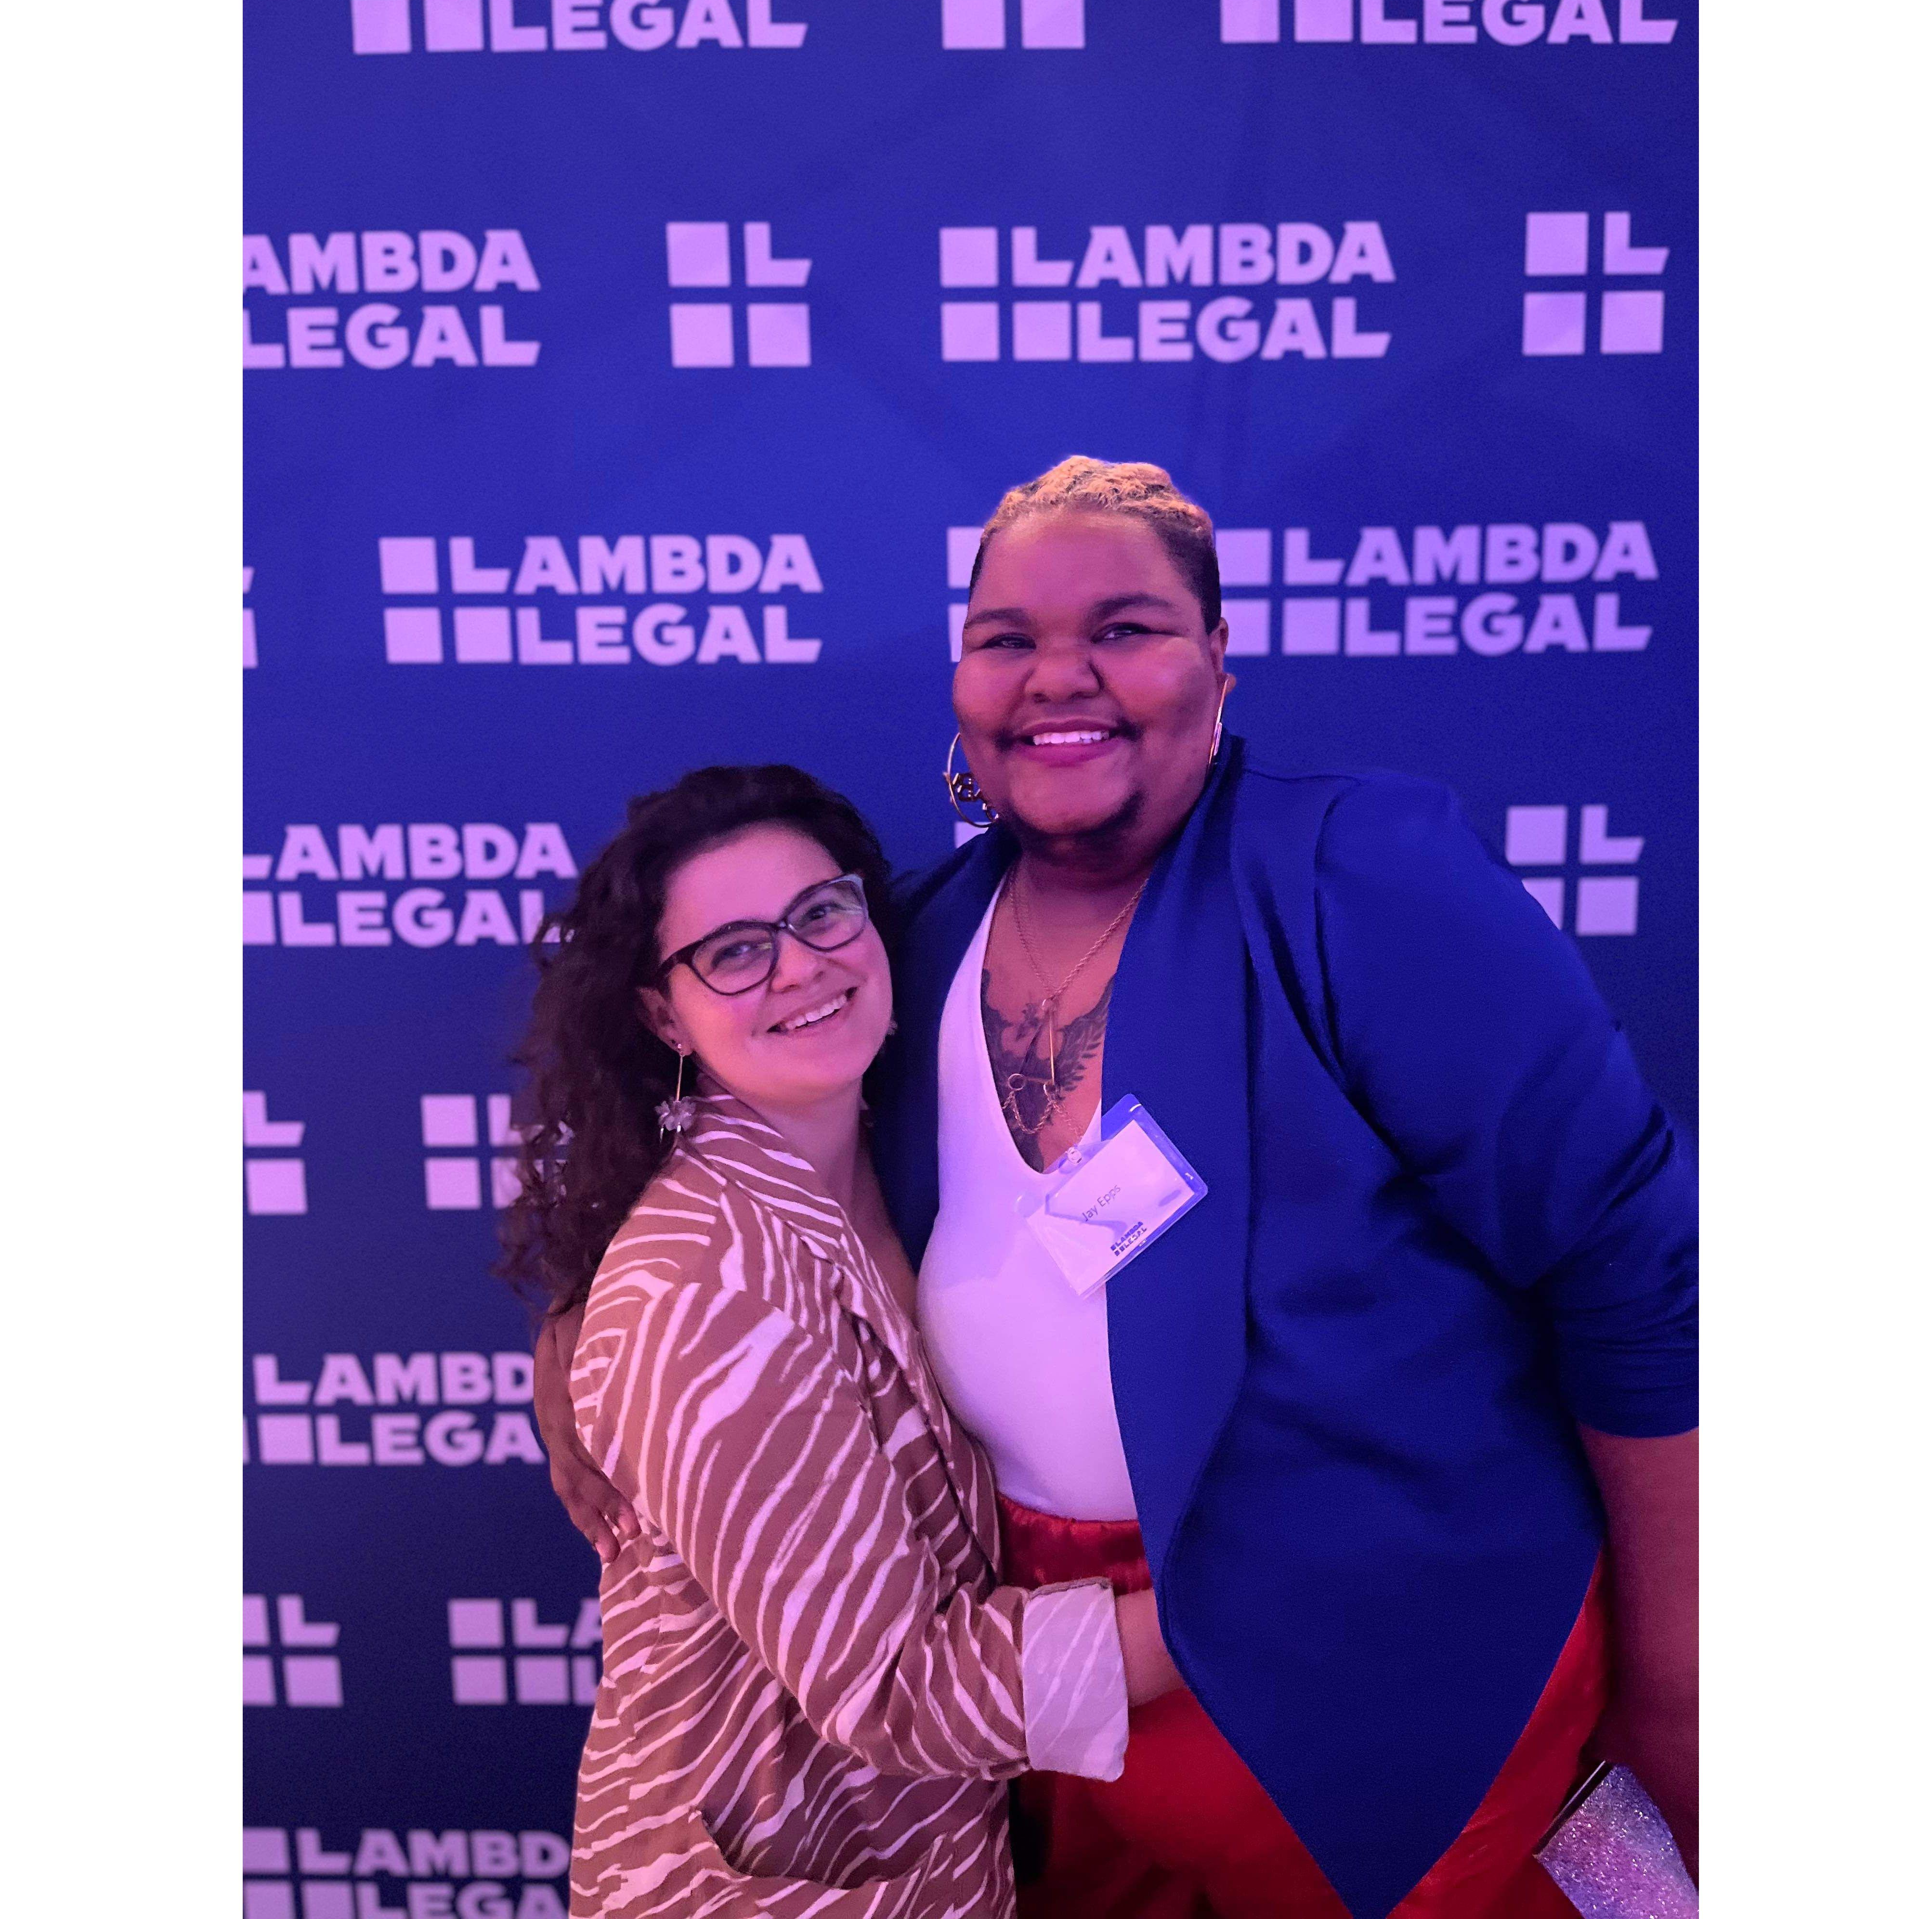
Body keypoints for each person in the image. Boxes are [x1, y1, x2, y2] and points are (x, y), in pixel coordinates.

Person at [536, 459, 1698, 1919]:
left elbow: (1634, 1276)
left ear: (1219, 659)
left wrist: (1686, 1681)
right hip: (1042, 1751)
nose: (1058, 676)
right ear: (961, 685)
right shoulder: (918, 943)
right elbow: (744, 1203)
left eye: (1127, 627)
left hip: (1388, 1698)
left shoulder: (1356, 874)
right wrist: (590, 1342)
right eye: (1007, 637)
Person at [497, 766, 1186, 1919]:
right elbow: (901, 1690)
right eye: (732, 951)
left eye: (821, 913)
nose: (801, 966)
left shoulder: (905, 1137)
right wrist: (1259, 1601)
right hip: (763, 1881)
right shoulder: (704, 1291)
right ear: (664, 1013)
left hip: (948, 1844)